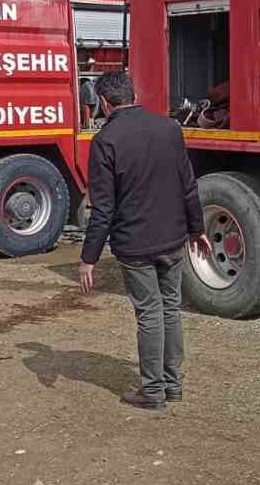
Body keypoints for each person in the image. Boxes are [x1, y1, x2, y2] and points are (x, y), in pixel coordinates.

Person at [77, 71, 211, 410]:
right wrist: (197, 230)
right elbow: (188, 185)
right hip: (172, 238)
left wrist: (88, 257)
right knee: (171, 309)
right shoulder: (169, 128)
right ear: (132, 94)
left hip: (134, 244)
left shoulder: (105, 142)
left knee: (150, 313)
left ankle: (152, 391)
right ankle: (173, 385)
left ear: (105, 103)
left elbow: (103, 208)